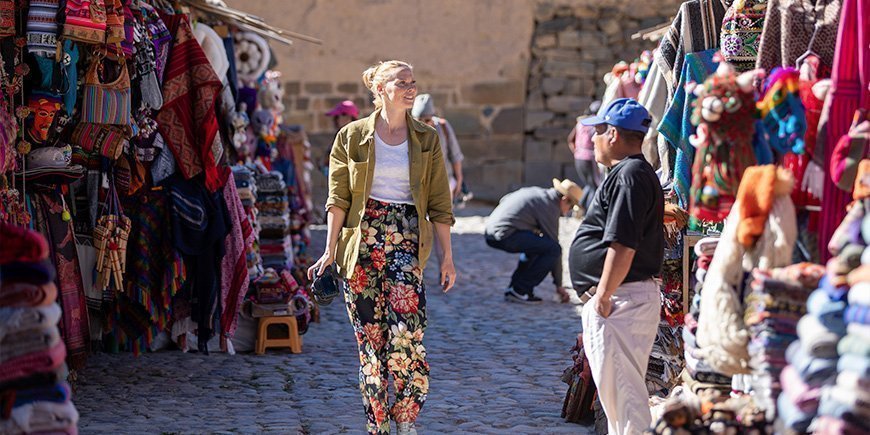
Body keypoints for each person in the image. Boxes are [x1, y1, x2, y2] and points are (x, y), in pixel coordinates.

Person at [307, 60, 456, 435]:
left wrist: (446, 259)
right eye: (401, 82)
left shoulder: (427, 138)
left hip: (405, 238)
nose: (410, 88)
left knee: (408, 334)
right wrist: (329, 251)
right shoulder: (351, 136)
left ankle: (406, 419)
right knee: (371, 342)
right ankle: (379, 425)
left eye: (413, 82)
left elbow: (440, 203)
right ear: (379, 90)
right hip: (361, 242)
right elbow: (337, 198)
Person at [568, 98, 664, 434]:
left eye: (596, 132)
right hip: (623, 298)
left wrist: (604, 295)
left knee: (624, 396)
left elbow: (623, 242)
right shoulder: (631, 173)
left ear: (611, 134)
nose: (591, 139)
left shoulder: (630, 175)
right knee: (620, 395)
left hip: (620, 300)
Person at [484, 179, 581, 304]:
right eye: (571, 207)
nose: (568, 211)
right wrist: (559, 285)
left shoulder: (539, 194)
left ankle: (515, 288)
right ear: (564, 199)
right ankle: (520, 290)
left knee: (538, 246)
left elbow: (505, 199)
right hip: (504, 234)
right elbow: (554, 247)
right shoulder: (550, 206)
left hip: (491, 232)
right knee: (552, 249)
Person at [411, 94, 464, 200]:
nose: (423, 124)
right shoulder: (408, 131)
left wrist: (459, 179)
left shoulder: (443, 127)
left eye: (427, 120)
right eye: (419, 120)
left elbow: (455, 155)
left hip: (444, 182)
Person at [566, 100, 602, 214]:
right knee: (595, 186)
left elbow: (570, 139)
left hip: (578, 157)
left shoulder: (581, 122)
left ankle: (580, 207)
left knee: (589, 184)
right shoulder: (596, 123)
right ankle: (590, 212)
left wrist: (578, 151)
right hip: (590, 158)